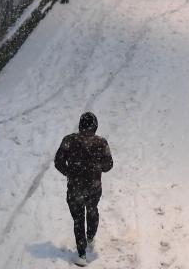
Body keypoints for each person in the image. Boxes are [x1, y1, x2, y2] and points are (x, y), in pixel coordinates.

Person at [54, 112, 113, 267]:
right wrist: (96, 166)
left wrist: (70, 173)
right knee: (92, 210)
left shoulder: (69, 140)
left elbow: (58, 161)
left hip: (74, 188)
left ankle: (81, 253)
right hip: (94, 187)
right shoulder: (102, 143)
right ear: (95, 125)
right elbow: (108, 166)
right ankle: (91, 236)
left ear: (80, 124)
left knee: (78, 220)